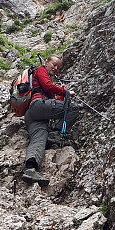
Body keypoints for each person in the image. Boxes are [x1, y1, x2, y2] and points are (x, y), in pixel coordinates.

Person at [22, 55, 78, 186]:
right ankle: (57, 134)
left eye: (58, 67)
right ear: (46, 62)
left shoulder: (43, 78)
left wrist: (59, 95)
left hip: (33, 115)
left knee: (39, 139)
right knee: (73, 108)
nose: (56, 68)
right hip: (38, 105)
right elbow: (47, 86)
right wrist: (65, 92)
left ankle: (30, 168)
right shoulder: (41, 70)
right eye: (54, 64)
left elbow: (52, 103)